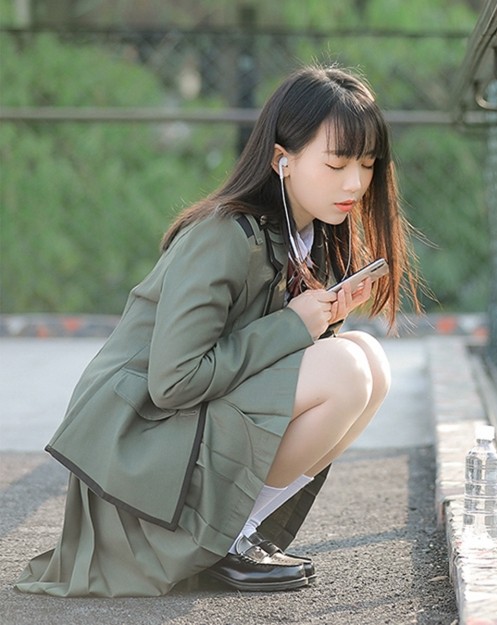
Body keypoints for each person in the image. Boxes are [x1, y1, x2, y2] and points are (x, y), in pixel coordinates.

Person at [14, 64, 418, 596]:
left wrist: (319, 316)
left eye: (367, 165)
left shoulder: (302, 236)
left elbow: (257, 362)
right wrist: (295, 326)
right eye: (337, 162)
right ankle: (225, 539)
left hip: (179, 442)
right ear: (282, 159)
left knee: (370, 362)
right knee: (348, 369)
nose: (355, 183)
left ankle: (237, 533)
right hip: (139, 466)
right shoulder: (223, 235)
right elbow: (174, 381)